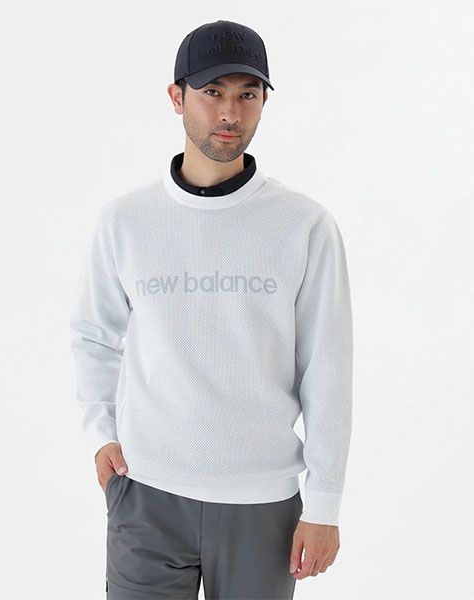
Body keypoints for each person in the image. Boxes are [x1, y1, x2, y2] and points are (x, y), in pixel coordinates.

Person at [70, 19, 353, 600]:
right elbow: (94, 336)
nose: (230, 112)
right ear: (177, 98)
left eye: (248, 94)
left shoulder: (303, 225)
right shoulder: (126, 221)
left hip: (262, 503)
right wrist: (101, 433)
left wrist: (325, 503)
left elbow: (327, 368)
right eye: (212, 92)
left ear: (264, 101)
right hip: (145, 492)